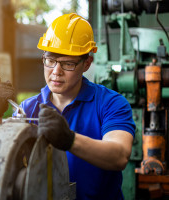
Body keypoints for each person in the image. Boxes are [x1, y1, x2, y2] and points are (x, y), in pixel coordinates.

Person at [18, 13, 135, 199]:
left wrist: (69, 140)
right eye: (50, 61)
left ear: (86, 64)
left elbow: (119, 156)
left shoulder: (111, 104)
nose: (56, 72)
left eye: (68, 64)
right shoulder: (28, 108)